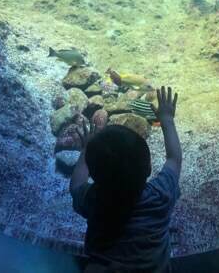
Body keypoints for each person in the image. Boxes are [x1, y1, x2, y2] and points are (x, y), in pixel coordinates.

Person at [70, 86, 182, 273]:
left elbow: (76, 185)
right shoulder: (160, 195)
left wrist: (86, 150)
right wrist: (167, 120)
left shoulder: (93, 201)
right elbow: (174, 158)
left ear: (94, 175)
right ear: (148, 168)